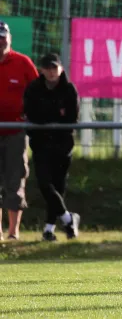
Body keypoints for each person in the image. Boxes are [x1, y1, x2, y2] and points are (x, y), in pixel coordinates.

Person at [23, 53, 81, 241]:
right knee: (44, 184)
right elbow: (31, 114)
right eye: (47, 68)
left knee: (58, 185)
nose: (51, 72)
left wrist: (50, 118)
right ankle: (68, 219)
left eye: (54, 68)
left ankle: (49, 229)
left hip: (63, 145)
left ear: (61, 68)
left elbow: (71, 117)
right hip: (40, 144)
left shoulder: (69, 89)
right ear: (41, 70)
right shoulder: (34, 88)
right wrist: (54, 117)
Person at [0, 20, 38, 241]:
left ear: (9, 39)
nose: (1, 41)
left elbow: (36, 93)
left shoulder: (23, 63)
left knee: (15, 180)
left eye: (3, 37)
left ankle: (13, 232)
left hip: (15, 132)